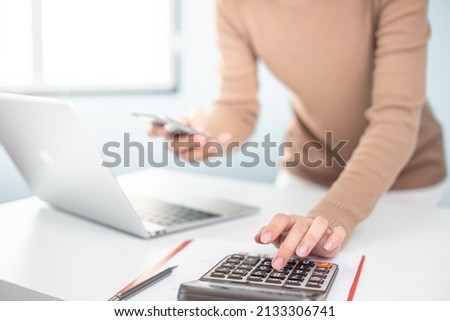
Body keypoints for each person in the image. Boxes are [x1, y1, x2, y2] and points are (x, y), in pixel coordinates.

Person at [149, 0, 447, 269]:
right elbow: (237, 108)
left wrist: (333, 214)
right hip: (306, 173)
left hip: (405, 182)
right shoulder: (233, 5)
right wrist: (204, 136)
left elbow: (395, 119)